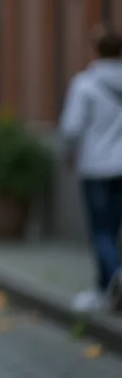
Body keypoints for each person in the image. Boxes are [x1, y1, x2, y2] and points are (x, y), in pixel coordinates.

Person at [60, 24, 122, 313]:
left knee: (100, 230)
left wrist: (69, 154)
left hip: (96, 166)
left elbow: (72, 128)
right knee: (114, 227)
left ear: (96, 51)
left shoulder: (85, 84)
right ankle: (104, 290)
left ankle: (113, 277)